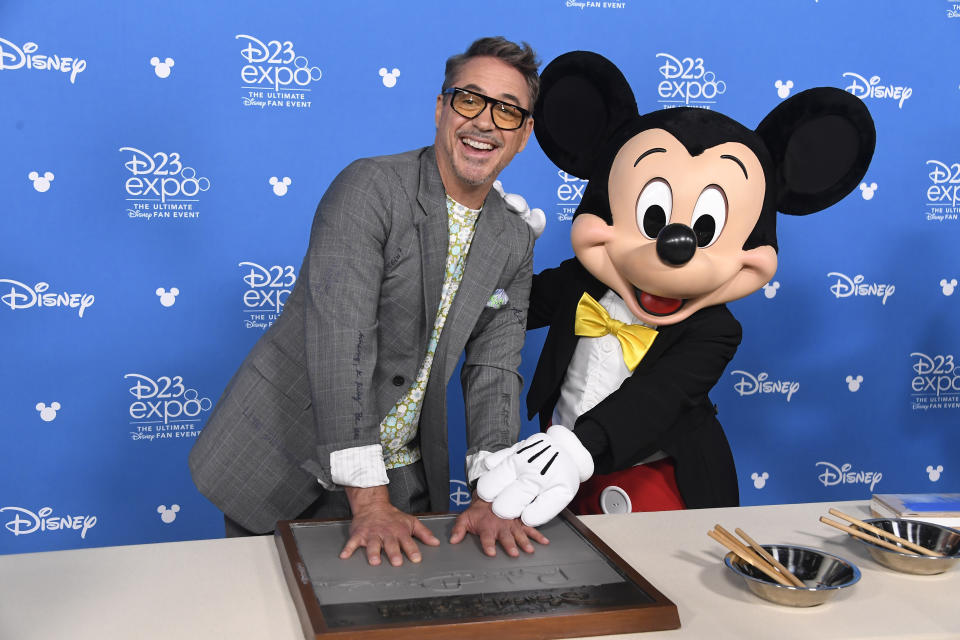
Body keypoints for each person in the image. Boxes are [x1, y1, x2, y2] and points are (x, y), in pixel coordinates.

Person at [189, 36, 546, 567]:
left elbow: (494, 368)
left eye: (507, 110)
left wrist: (494, 493)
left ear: (523, 135)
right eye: (469, 99)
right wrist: (370, 501)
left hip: (401, 470)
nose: (485, 122)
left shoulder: (513, 239)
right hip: (285, 454)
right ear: (440, 109)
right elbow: (343, 340)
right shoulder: (370, 188)